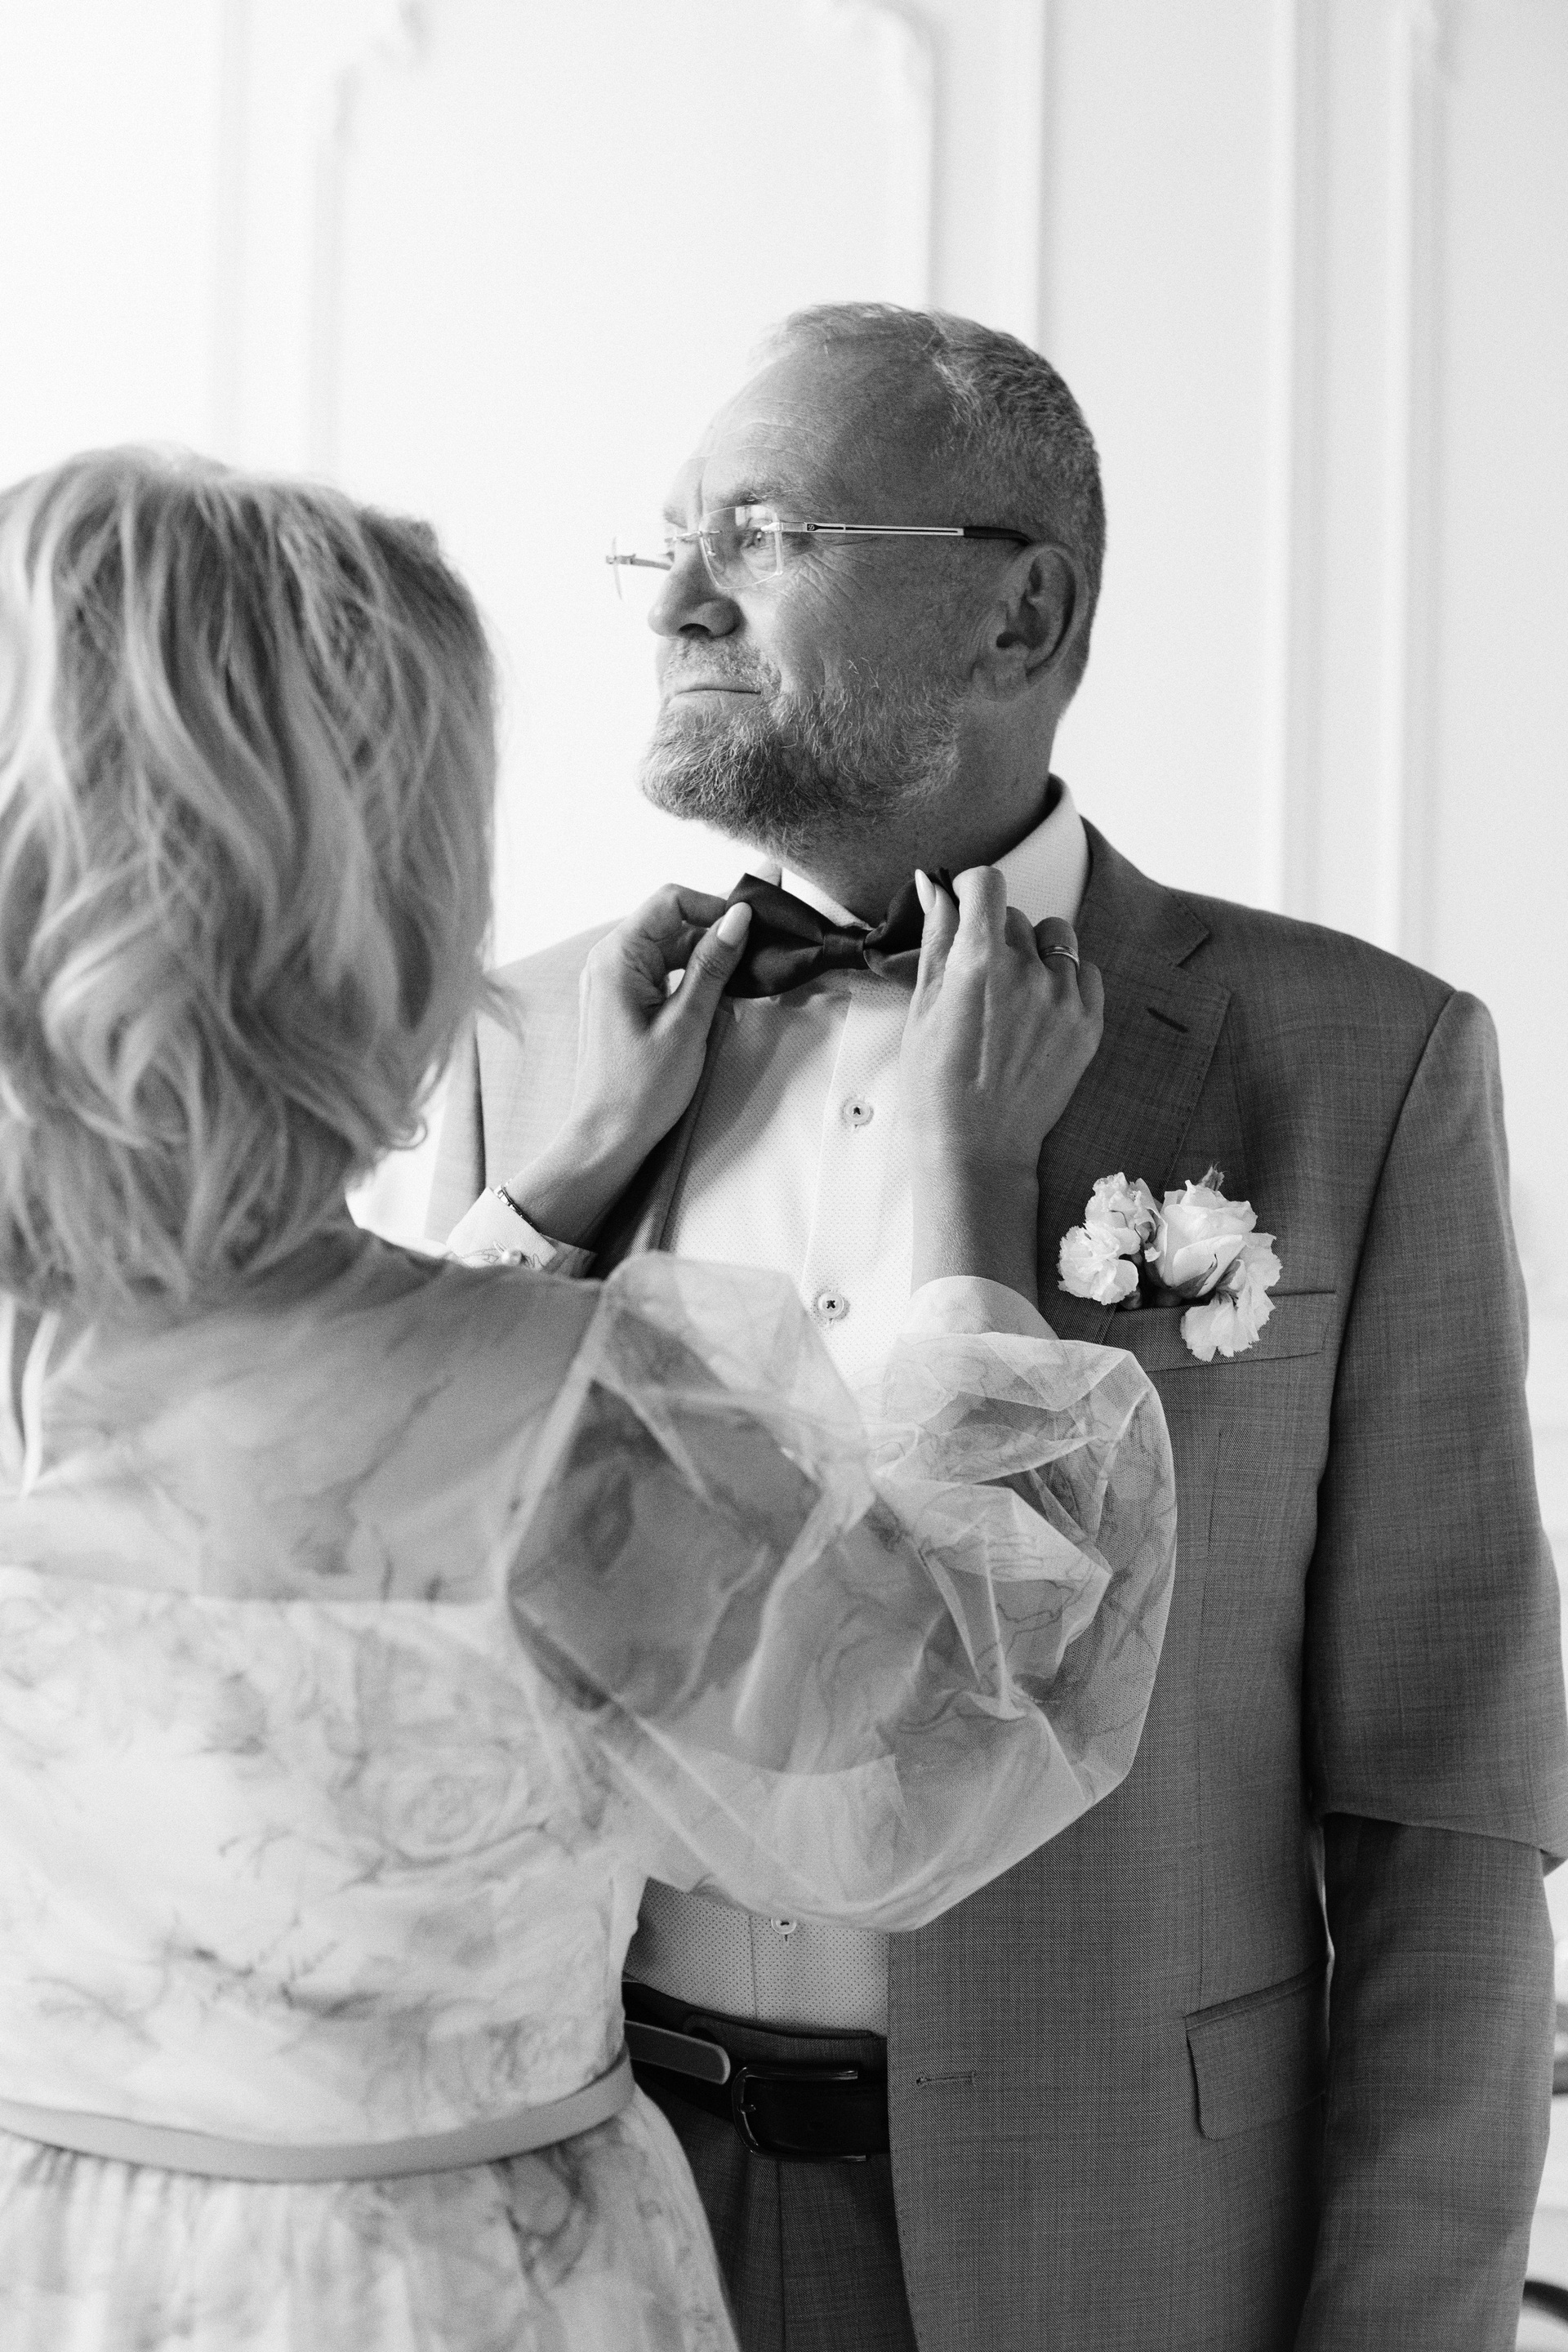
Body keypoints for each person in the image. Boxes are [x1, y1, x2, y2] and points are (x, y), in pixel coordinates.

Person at [431, 301, 1568, 2352]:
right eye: (669, 542)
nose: (677, 602)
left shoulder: (1365, 1065)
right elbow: (402, 1670)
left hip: (1119, 2247)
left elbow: (1445, 1806)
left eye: (762, 534)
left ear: (1018, 611)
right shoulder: (526, 1050)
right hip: (591, 2221)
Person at [0, 447, 1175, 2352]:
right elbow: (949, 1722)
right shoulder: (574, 1423)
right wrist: (973, 1190)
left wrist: (549, 1196)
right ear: (375, 893)